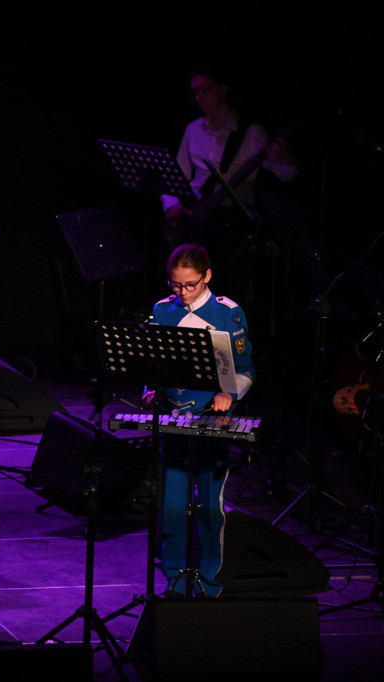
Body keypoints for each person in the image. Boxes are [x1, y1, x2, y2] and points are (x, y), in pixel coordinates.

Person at [142, 243, 255, 597]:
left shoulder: (227, 313)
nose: (182, 292)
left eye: (190, 285)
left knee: (210, 505)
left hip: (213, 419)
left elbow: (246, 368)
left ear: (207, 276)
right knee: (172, 506)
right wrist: (152, 389)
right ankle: (174, 579)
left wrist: (229, 394)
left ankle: (209, 582)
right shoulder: (162, 310)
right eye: (176, 285)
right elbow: (153, 362)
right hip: (176, 420)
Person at [162, 65, 298, 247]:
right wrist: (171, 205)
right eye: (195, 93)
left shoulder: (251, 133)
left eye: (203, 90)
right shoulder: (193, 130)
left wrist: (287, 156)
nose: (198, 97)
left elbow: (286, 174)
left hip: (234, 223)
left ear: (222, 89)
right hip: (195, 215)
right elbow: (176, 176)